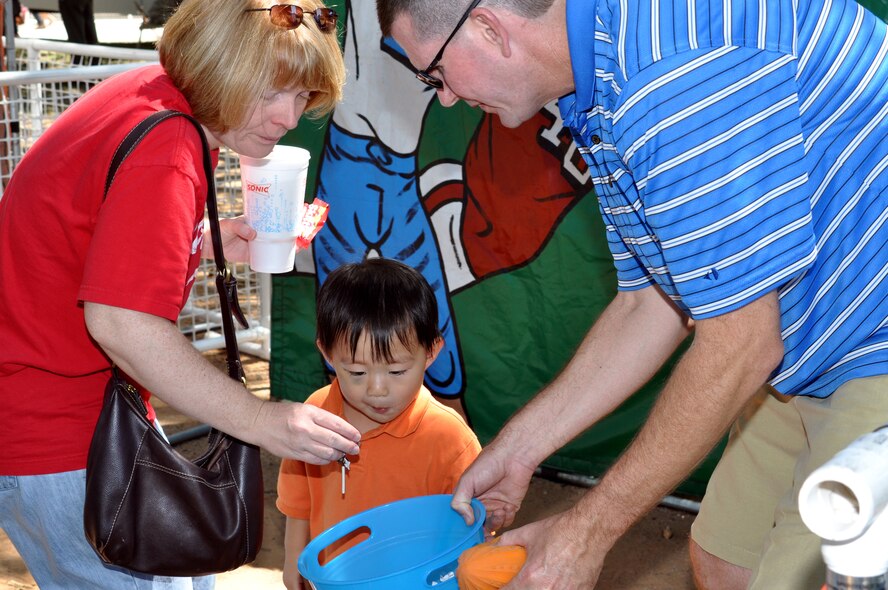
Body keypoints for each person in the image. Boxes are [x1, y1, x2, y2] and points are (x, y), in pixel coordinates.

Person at [376, 0, 888, 589]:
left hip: (865, 334)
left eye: (434, 74)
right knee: (726, 561)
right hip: (809, 338)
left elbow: (742, 343)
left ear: (489, 27)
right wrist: (520, 448)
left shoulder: (669, 78)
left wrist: (587, 532)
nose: (442, 98)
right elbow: (649, 302)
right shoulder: (602, 71)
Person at [0, 1, 361, 588]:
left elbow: (93, 230)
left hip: (91, 415)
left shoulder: (157, 94)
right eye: (274, 92)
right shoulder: (167, 147)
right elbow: (120, 323)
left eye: (302, 98)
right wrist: (261, 420)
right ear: (223, 64)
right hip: (59, 431)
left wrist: (207, 242)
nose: (288, 117)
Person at [276, 257, 482, 590]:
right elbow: (298, 501)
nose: (377, 389)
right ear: (327, 353)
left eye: (397, 371)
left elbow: (471, 533)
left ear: (431, 352)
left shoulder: (450, 440)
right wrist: (292, 563)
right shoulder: (315, 417)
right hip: (334, 581)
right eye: (356, 372)